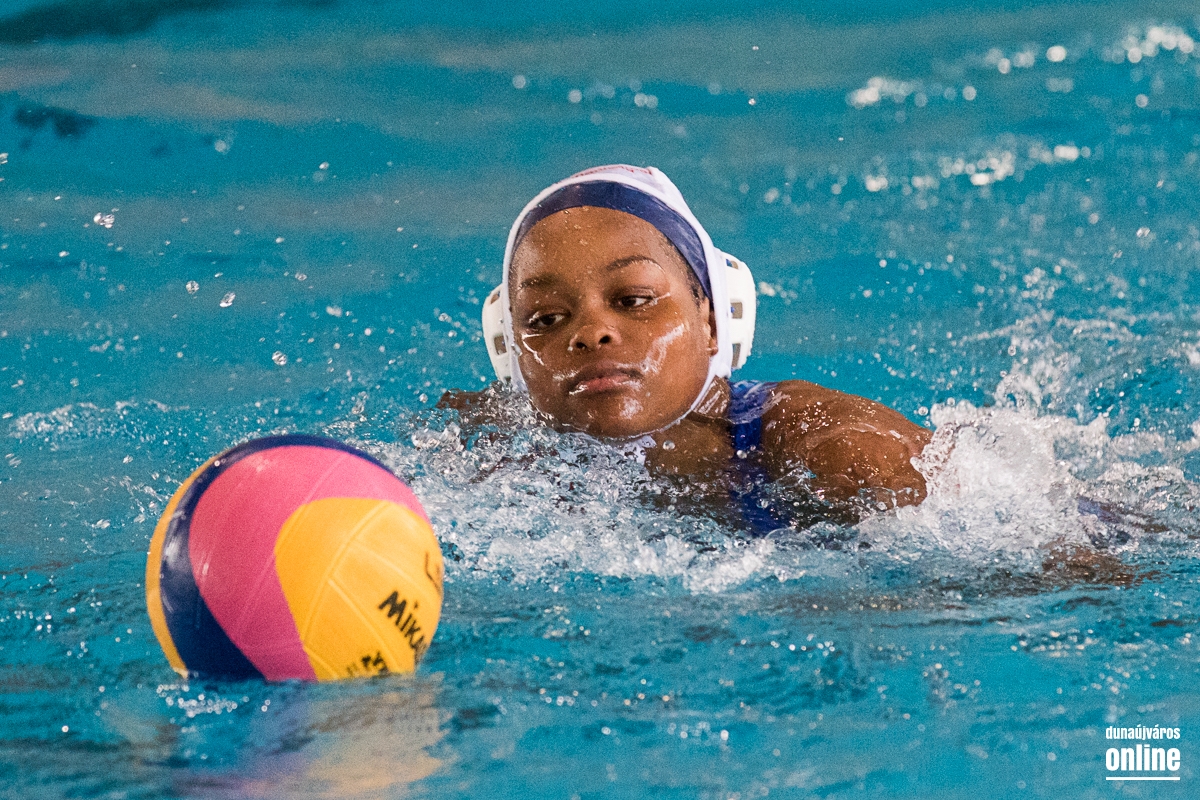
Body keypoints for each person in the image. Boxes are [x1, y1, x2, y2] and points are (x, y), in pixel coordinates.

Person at [441, 164, 931, 533]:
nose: (590, 333)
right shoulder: (483, 448)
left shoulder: (832, 444)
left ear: (712, 323)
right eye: (546, 318)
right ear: (511, 355)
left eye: (633, 300)